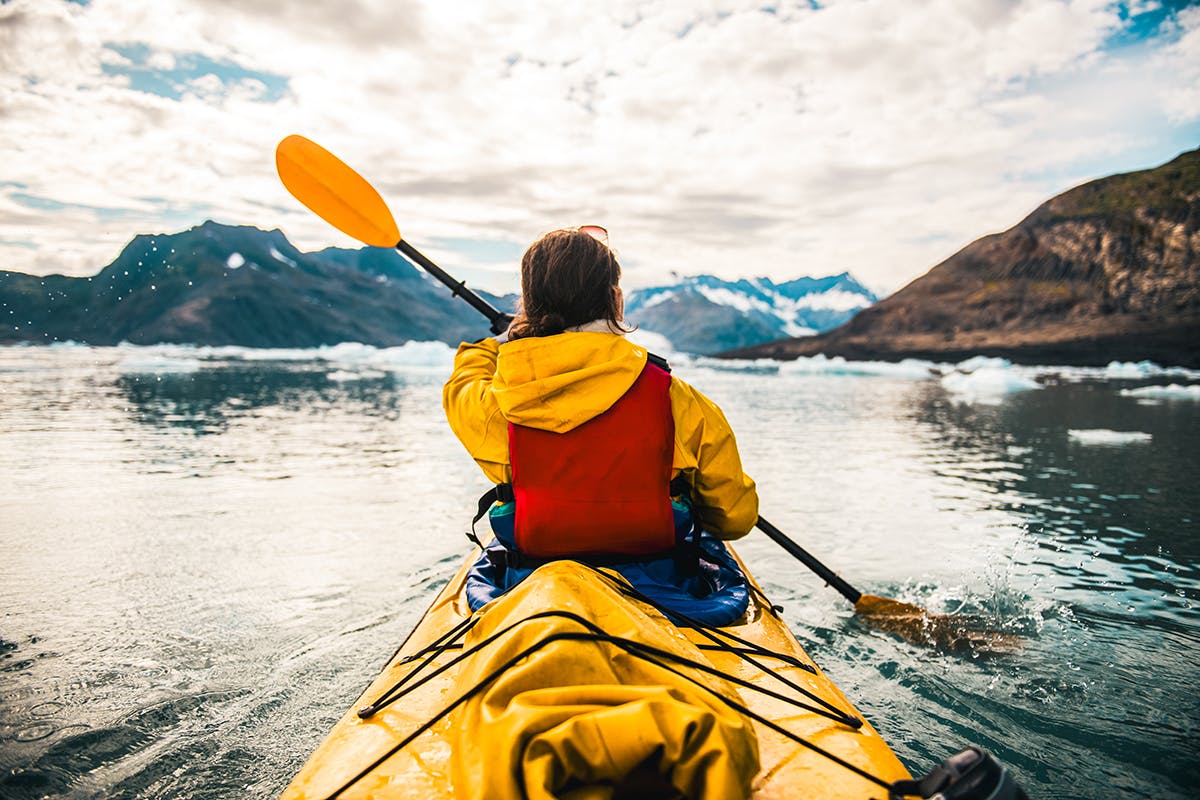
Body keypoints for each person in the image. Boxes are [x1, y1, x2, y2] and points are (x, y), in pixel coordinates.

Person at [442, 226, 758, 623]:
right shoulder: (679, 400)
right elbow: (735, 519)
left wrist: (501, 340)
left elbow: (464, 380)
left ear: (528, 305)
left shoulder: (492, 405)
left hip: (532, 582)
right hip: (664, 582)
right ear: (615, 299)